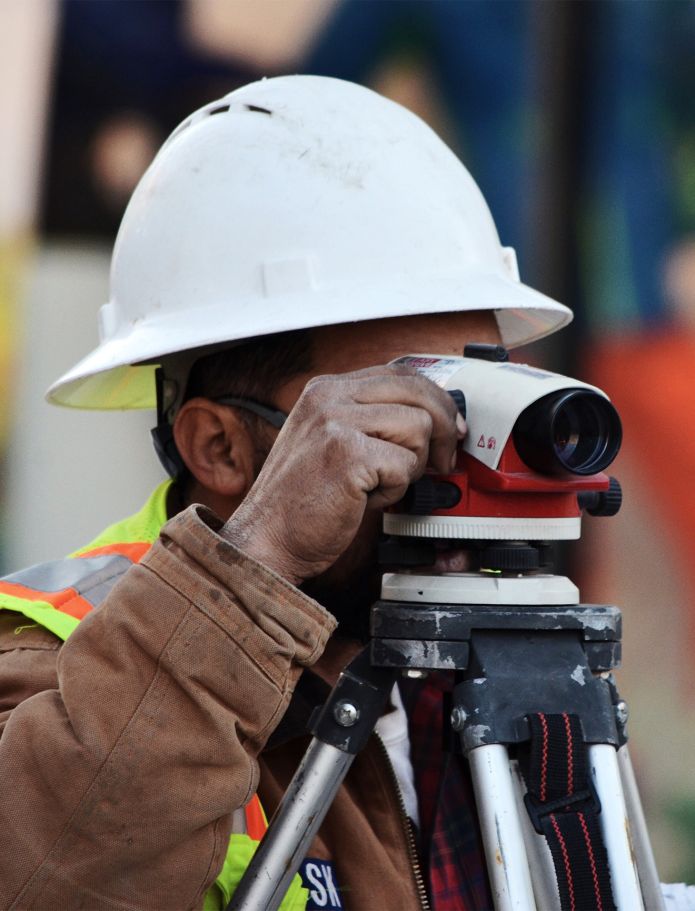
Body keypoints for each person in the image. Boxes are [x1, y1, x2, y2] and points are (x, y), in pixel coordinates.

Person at [0, 76, 577, 909]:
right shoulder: (47, 650)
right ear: (220, 446)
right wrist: (261, 555)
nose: (450, 456)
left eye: (470, 400)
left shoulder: (490, 666)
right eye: (396, 413)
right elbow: (42, 883)